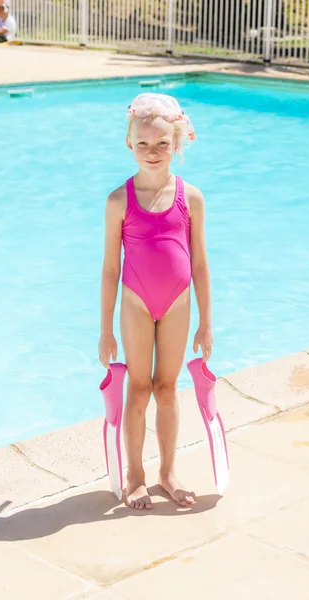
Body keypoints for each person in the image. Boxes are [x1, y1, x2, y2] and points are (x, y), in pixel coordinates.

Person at [98, 93, 213, 510]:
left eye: (162, 144)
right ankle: (135, 475)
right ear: (129, 143)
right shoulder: (118, 200)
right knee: (139, 388)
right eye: (143, 143)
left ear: (176, 144)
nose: (152, 152)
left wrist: (206, 321)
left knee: (168, 389)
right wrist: (105, 329)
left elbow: (199, 263)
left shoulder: (192, 197)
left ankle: (167, 471)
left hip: (179, 301)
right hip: (136, 301)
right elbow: (111, 269)